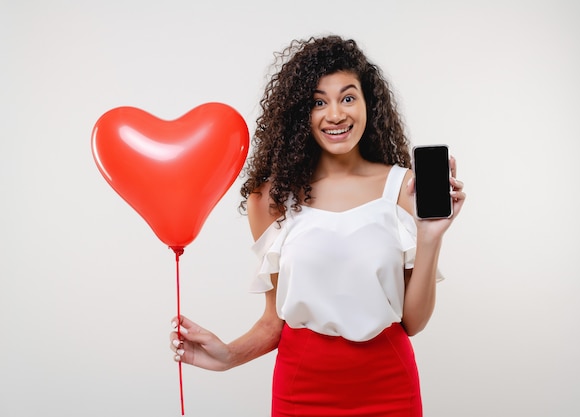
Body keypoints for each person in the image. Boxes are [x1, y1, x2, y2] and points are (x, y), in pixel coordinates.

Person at [170, 35, 465, 417]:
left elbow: (413, 322)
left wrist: (429, 237)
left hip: (389, 386)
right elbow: (273, 321)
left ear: (367, 104)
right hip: (301, 389)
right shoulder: (272, 199)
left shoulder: (404, 189)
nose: (336, 115)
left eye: (347, 97)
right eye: (318, 102)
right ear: (299, 114)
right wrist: (228, 355)